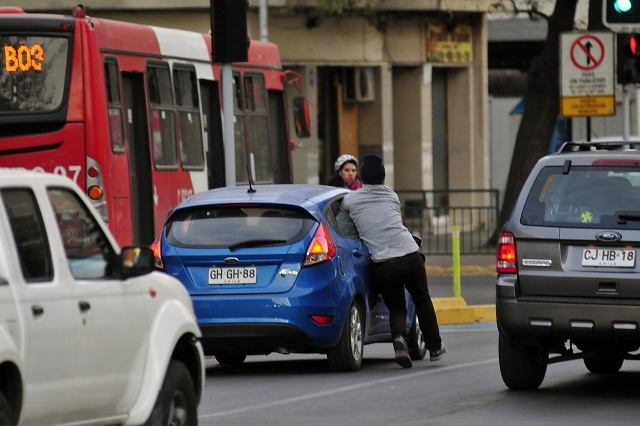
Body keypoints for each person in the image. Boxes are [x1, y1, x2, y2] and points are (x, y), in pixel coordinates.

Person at [341, 154, 445, 368]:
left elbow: (345, 221)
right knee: (422, 299)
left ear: (362, 177)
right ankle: (434, 348)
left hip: (384, 263)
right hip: (409, 254)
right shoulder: (392, 196)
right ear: (382, 178)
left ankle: (398, 338)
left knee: (397, 306)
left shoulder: (350, 200)